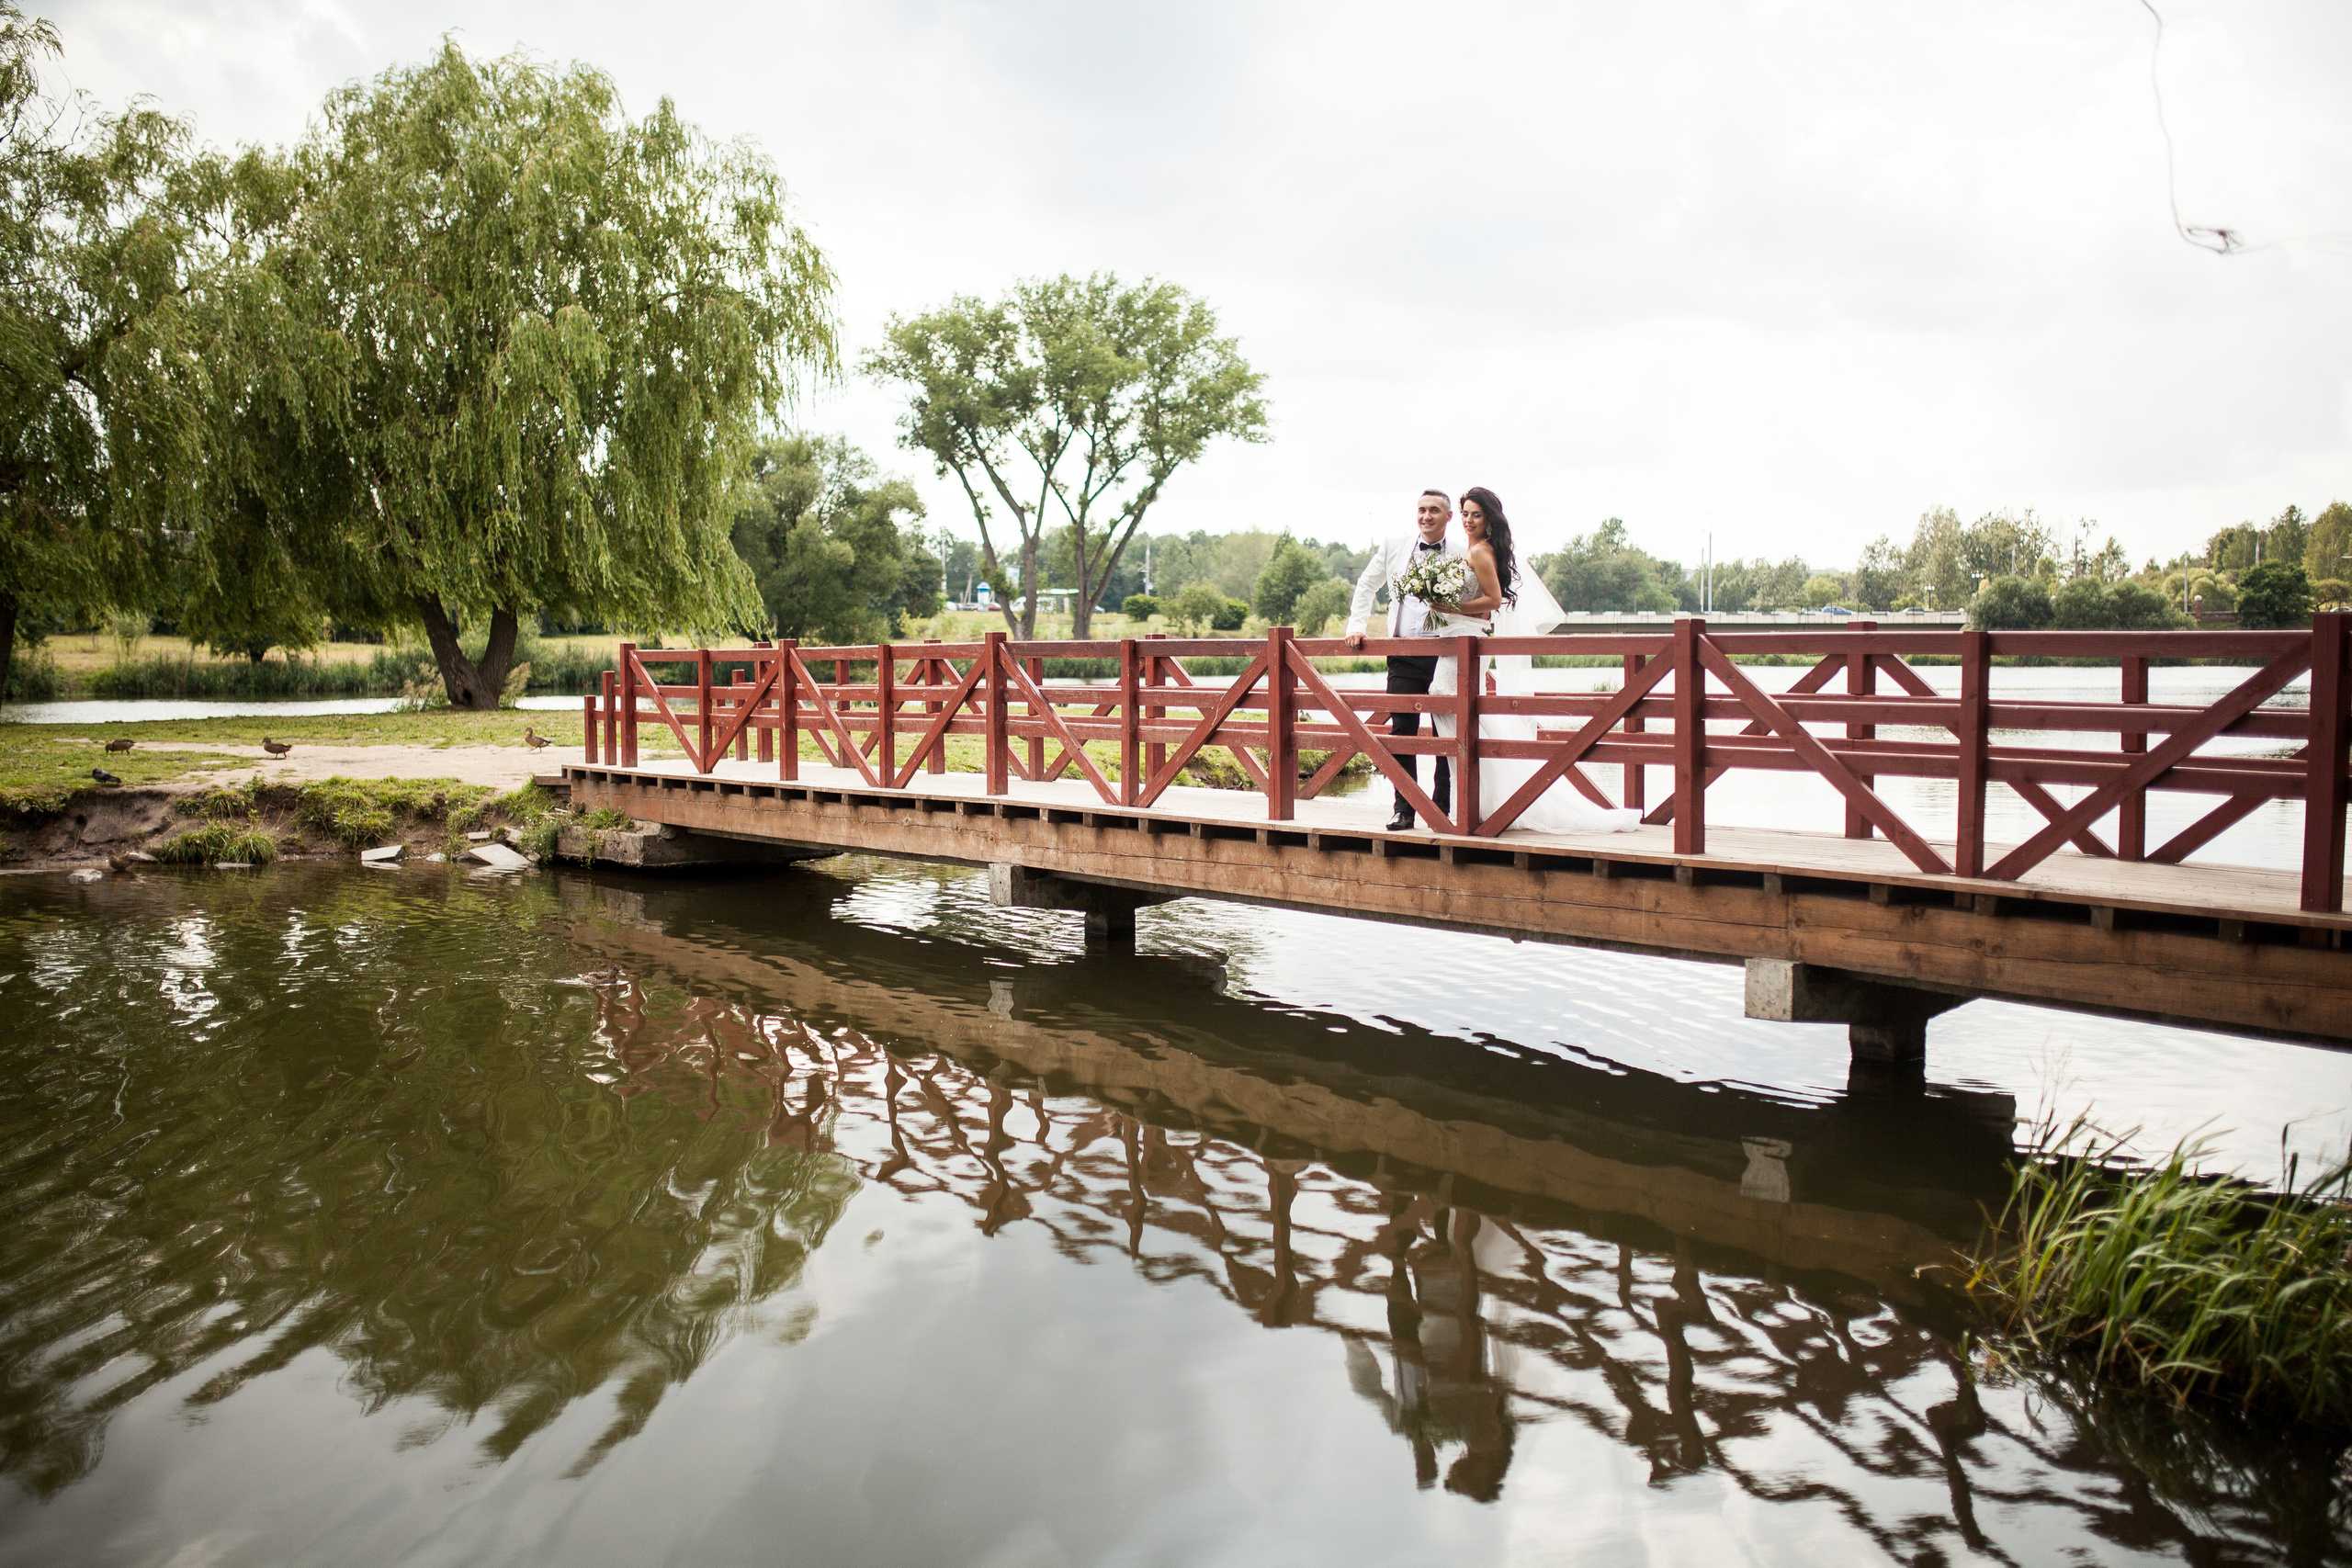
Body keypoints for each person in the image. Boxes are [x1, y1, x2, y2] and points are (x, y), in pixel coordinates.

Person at [1428, 487, 1643, 837]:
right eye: (1465, 513)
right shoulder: (1473, 550)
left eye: (1476, 515)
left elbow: (1494, 600)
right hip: (1457, 638)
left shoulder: (1481, 552)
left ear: (1490, 520)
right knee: (1452, 709)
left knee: (1451, 706)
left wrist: (1449, 607)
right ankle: (1482, 803)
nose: (1468, 520)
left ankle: (1484, 803)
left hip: (1467, 639)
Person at [1345, 490, 1463, 831]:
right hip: (1404, 654)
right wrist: (1357, 627)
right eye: (1422, 510)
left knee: (1447, 732)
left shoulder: (1462, 552)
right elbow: (1367, 584)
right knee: (1401, 731)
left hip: (1445, 654)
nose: (1426, 516)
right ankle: (1405, 808)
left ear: (1448, 516)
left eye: (1435, 511)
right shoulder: (1395, 546)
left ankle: (1441, 806)